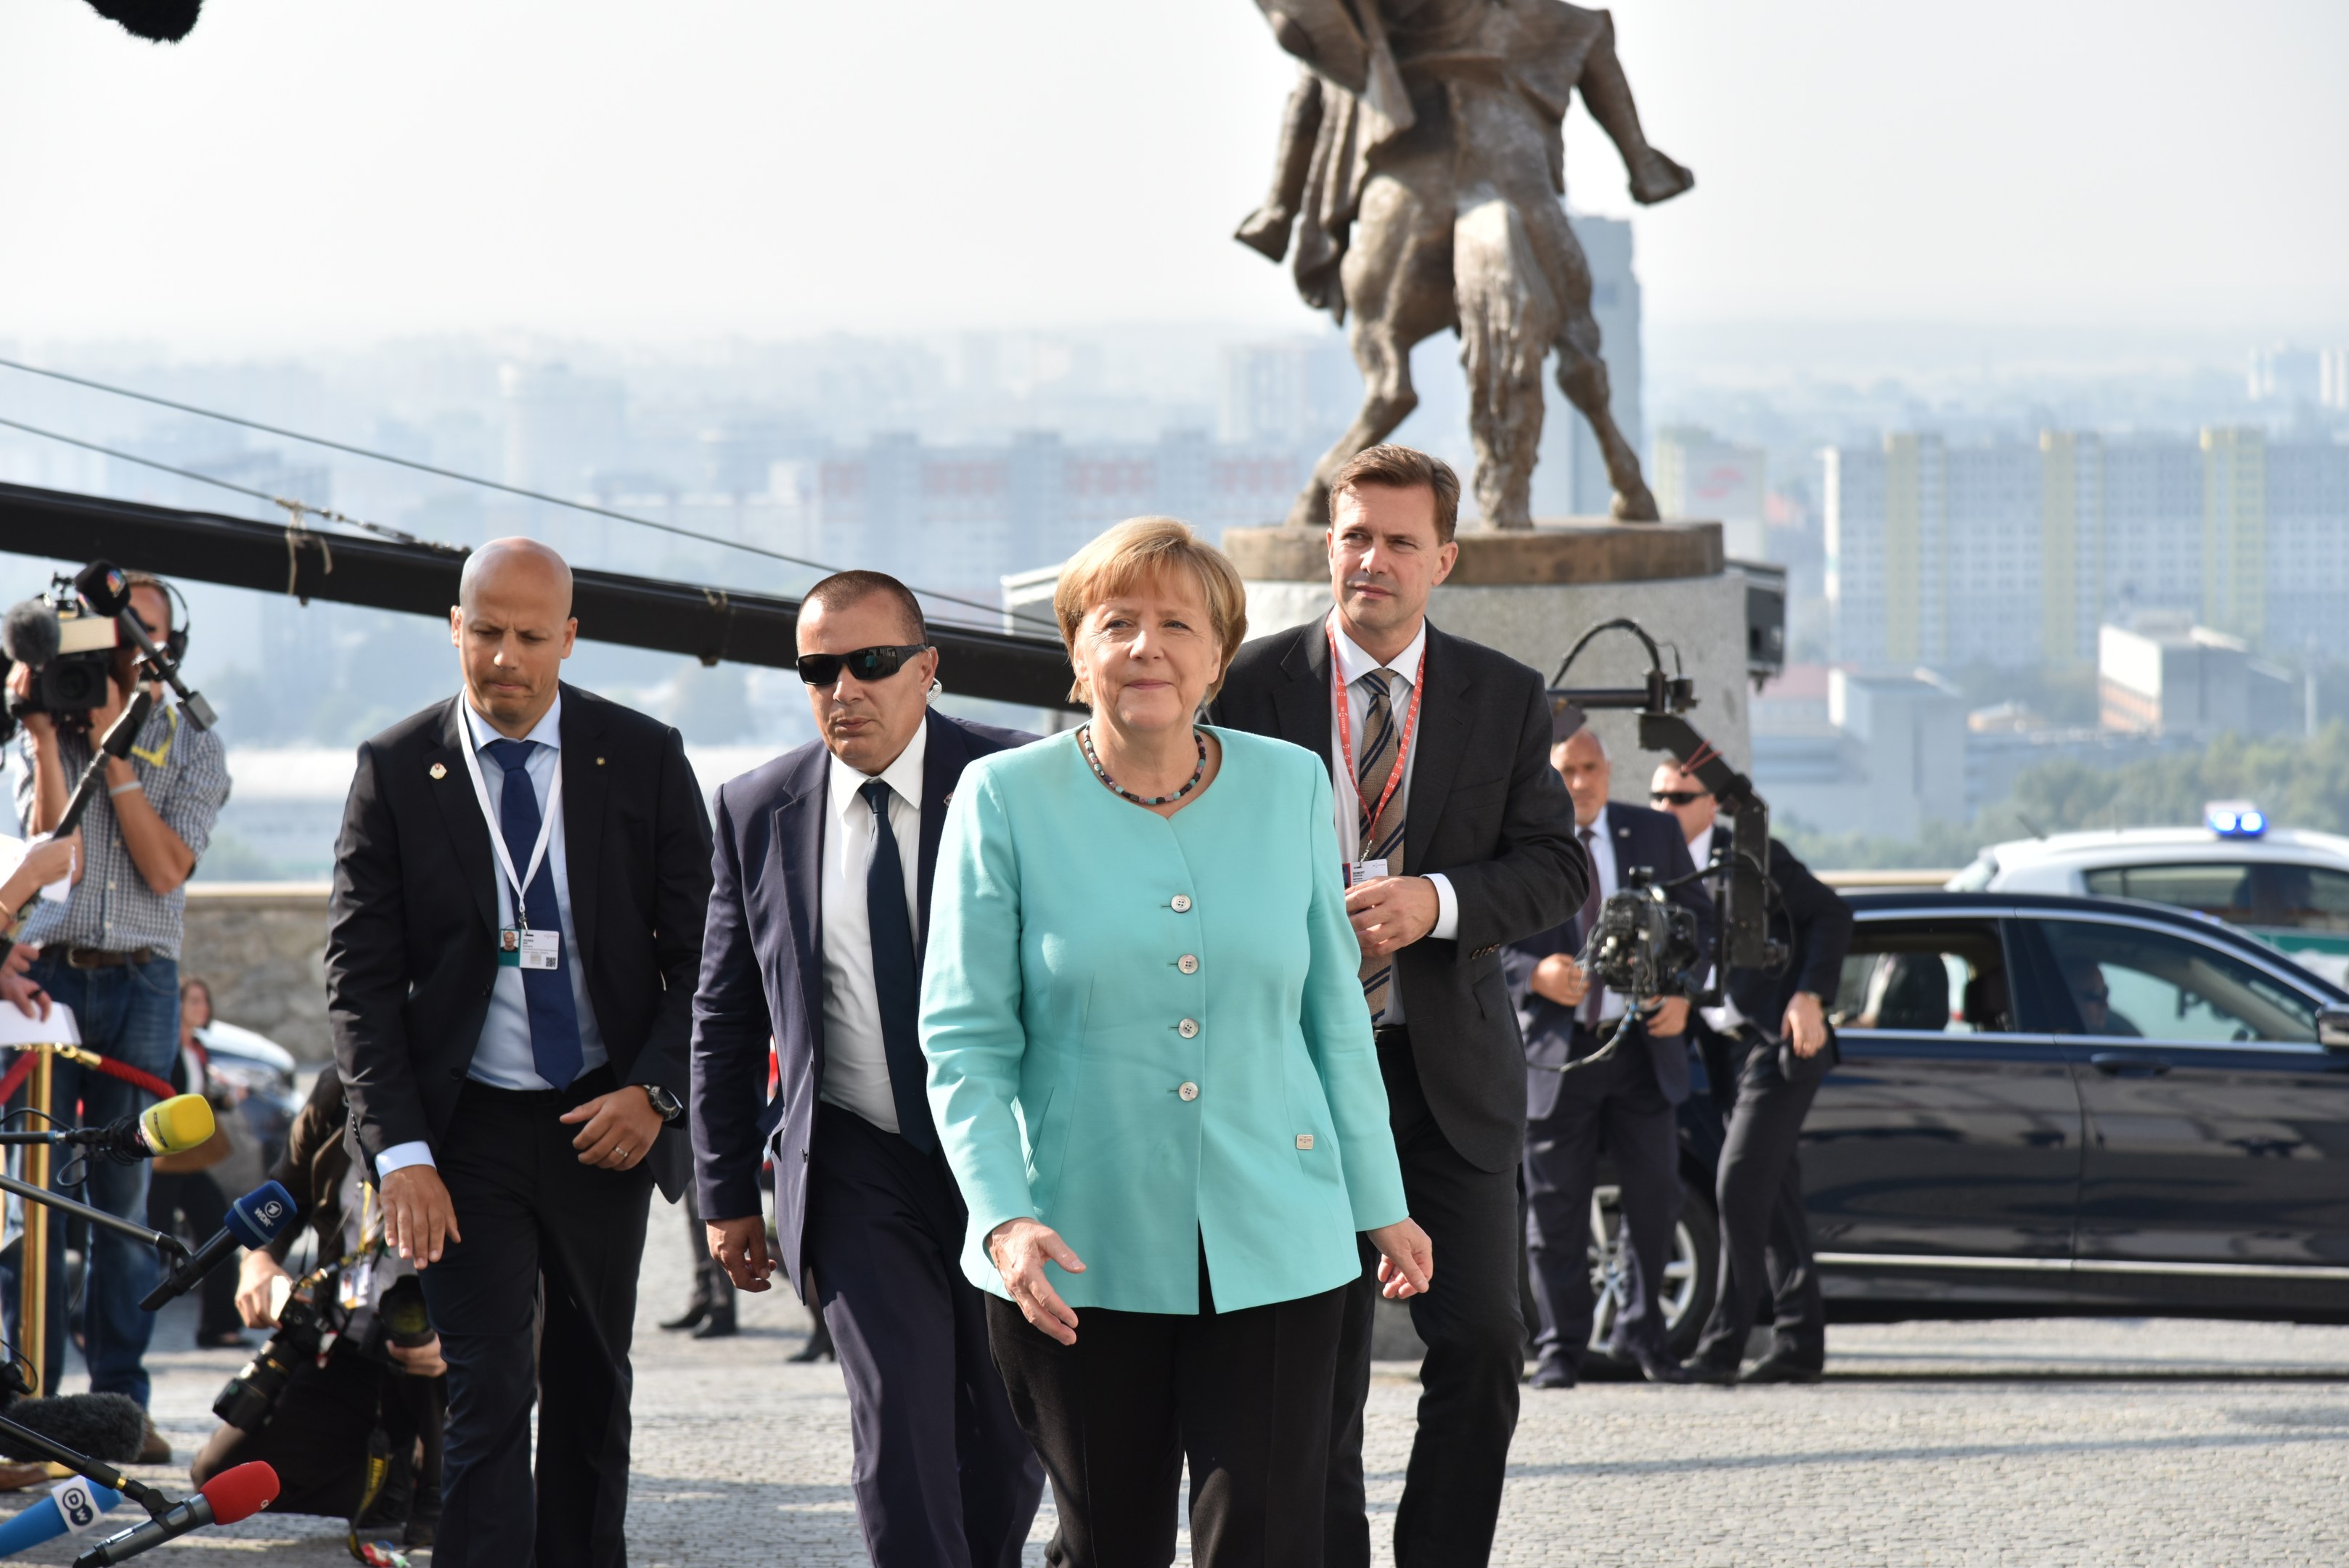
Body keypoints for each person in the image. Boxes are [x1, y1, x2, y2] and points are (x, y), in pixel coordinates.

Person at [924, 518, 1432, 1567]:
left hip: (1282, 1233)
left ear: (1217, 656)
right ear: (1077, 650)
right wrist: (1003, 1219)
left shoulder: (1290, 782)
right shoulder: (1001, 799)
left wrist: (1380, 1203)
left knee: (1269, 1540)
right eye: (1117, 623)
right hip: (1076, 1247)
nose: (1145, 647)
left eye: (1175, 624)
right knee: (1107, 1543)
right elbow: (965, 1039)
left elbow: (1332, 1014)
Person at [1208, 445, 1584, 1567]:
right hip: (1289, 1084)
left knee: (1484, 1343)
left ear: (1444, 559)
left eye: (1399, 541)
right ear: (1327, 545)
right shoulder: (1243, 684)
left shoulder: (1505, 696)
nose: (1372, 560)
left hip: (1445, 1080)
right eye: (1354, 535)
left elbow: (1559, 869)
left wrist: (1440, 901)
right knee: (1314, 1376)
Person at [327, 537, 711, 1568]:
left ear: (569, 641)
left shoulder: (642, 758)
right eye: (486, 632)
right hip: (468, 1132)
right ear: (455, 627)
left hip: (604, 1118)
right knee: (489, 1385)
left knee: (593, 1382)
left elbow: (708, 958)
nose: (505, 657)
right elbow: (357, 986)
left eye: (530, 637)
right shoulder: (397, 770)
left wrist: (656, 1093)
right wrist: (400, 1156)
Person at [691, 570, 1043, 1568]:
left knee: (1007, 1434)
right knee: (897, 1419)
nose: (843, 688)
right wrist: (726, 1197)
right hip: (853, 1163)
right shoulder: (758, 808)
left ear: (927, 670)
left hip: (1003, 1163)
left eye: (872, 663)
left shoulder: (1012, 780)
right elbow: (725, 1013)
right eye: (818, 669)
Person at [8, 568, 229, 1442]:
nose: (125, 650)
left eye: (142, 634)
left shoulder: (191, 741)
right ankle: (31, 1406)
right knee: (27, 1195)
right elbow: (47, 847)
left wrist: (121, 755)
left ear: (167, 647)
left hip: (141, 976)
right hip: (46, 979)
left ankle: (121, 1410)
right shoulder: (52, 721)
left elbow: (167, 869)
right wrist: (44, 734)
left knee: (122, 1203)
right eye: (111, 631)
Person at [1503, 725, 1710, 1387]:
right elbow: (1478, 942)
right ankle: (1562, 1349)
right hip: (1558, 1059)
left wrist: (1682, 994)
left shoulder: (1651, 833)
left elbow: (1699, 926)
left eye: (1591, 768)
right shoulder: (1519, 840)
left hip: (1642, 1052)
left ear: (1609, 771)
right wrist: (1534, 975)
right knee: (1554, 1211)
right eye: (1567, 770)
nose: (1580, 783)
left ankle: (1646, 1340)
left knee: (1655, 1201)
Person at [1649, 761, 1853, 1385]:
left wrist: (1809, 996)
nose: (1664, 807)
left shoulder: (1751, 852)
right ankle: (1799, 1342)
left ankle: (1722, 1347)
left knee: (1738, 1184)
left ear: (1713, 805)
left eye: (1679, 796)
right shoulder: (1656, 869)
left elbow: (1831, 915)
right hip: (1725, 1055)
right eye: (1655, 795)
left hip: (1780, 1044)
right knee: (1775, 1193)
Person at [197, 1069, 446, 1548]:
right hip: (346, 1338)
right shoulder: (341, 1088)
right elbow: (279, 1197)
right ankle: (396, 1475)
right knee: (219, 1475)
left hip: (444, 1355)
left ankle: (455, 1474)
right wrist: (260, 1263)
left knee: (434, 1358)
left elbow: (537, 1266)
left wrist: (472, 1344)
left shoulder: (480, 1093)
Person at [145, 976, 246, 1349]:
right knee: (138, 1245)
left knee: (221, 1236)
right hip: (163, 1163)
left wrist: (225, 1098)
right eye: (194, 1001)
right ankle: (86, 1321)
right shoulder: (164, 1050)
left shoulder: (197, 1049)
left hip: (188, 1163)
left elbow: (194, 1100)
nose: (202, 1008)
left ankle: (218, 1327)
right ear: (177, 1006)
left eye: (205, 1001)